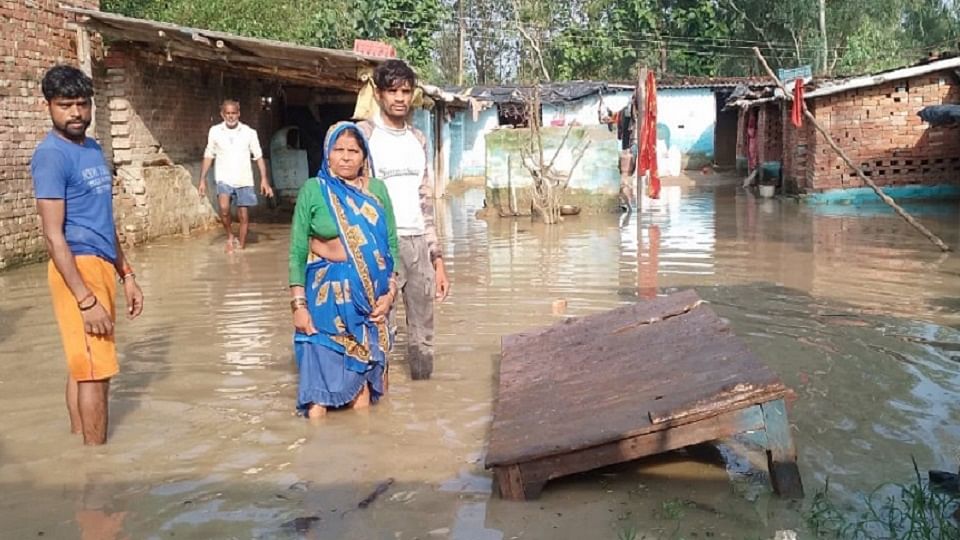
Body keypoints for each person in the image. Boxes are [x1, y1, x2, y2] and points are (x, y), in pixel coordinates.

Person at [31, 65, 144, 446]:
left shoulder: (93, 148)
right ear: (49, 106)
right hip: (76, 268)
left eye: (82, 104)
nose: (76, 113)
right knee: (96, 372)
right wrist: (84, 298)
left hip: (100, 265)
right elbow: (52, 235)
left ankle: (80, 450)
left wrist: (126, 273)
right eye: (65, 105)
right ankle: (99, 472)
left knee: (84, 366)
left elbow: (104, 219)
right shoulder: (51, 156)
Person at [288, 122, 399, 419]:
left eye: (354, 150)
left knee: (362, 392)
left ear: (364, 156)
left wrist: (390, 295)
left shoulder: (376, 191)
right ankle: (315, 459)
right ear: (327, 153)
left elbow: (390, 246)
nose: (346, 157)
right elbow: (297, 250)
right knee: (317, 396)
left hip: (368, 308)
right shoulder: (313, 190)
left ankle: (366, 454)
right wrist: (298, 305)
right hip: (324, 304)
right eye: (339, 150)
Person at [357, 59, 450, 381]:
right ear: (379, 94)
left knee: (424, 331)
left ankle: (423, 396)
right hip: (379, 243)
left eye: (406, 91)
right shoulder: (362, 136)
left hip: (418, 245)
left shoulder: (418, 140)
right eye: (392, 91)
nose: (400, 98)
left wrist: (437, 259)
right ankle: (378, 401)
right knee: (380, 324)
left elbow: (424, 202)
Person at [198, 99, 274, 251]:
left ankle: (242, 247)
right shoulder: (215, 131)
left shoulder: (249, 132)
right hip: (223, 178)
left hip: (244, 179)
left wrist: (264, 180)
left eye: (234, 113)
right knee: (224, 209)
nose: (231, 116)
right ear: (222, 114)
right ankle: (230, 236)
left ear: (239, 114)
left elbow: (258, 156)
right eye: (228, 113)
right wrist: (202, 180)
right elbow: (209, 155)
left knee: (243, 215)